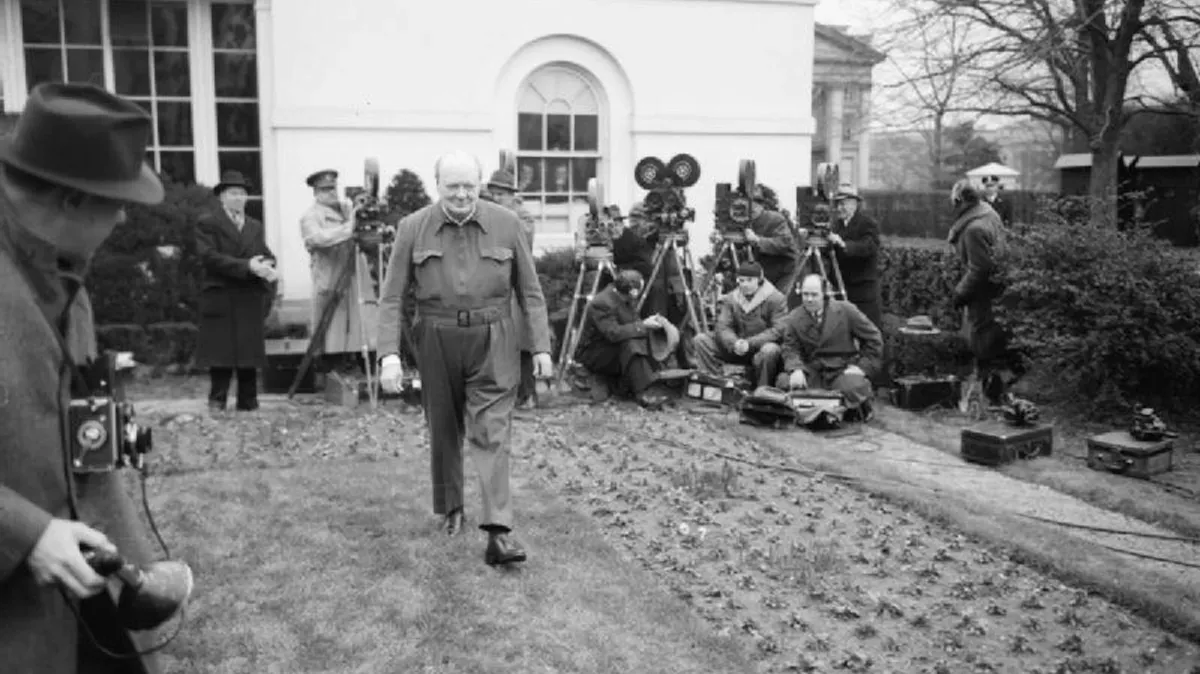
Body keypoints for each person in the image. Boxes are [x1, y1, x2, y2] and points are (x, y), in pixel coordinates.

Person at [0, 82, 165, 673]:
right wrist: (23, 534)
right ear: (71, 199)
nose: (123, 217)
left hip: (90, 582)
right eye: (116, 202)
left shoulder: (58, 259)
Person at [377, 151, 552, 566]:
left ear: (480, 185)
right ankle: (451, 506)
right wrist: (389, 356)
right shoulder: (412, 227)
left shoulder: (507, 224)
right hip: (435, 336)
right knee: (443, 426)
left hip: (494, 337)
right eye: (452, 186)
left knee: (493, 431)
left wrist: (541, 347)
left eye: (468, 186)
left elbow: (530, 291)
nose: (461, 195)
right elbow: (392, 297)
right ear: (437, 185)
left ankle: (498, 531)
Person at [194, 170, 278, 413]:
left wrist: (268, 266)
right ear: (222, 197)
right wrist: (246, 266)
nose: (239, 198)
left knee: (248, 353)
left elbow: (264, 253)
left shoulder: (254, 225)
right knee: (221, 352)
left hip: (248, 295)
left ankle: (248, 402)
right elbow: (208, 256)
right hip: (221, 293)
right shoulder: (208, 222)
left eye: (242, 194)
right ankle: (217, 400)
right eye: (233, 193)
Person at [776, 274, 884, 420]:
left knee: (854, 386)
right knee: (784, 382)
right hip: (813, 371)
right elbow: (790, 347)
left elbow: (873, 338)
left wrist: (862, 368)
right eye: (805, 294)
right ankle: (821, 409)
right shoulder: (795, 316)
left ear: (824, 294)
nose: (809, 299)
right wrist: (796, 369)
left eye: (814, 295)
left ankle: (853, 407)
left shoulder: (846, 310)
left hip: (841, 370)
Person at [948, 179, 1012, 404]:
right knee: (993, 341)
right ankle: (996, 394)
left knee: (983, 343)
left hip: (984, 292)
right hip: (999, 287)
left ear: (960, 201)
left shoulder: (973, 229)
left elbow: (980, 268)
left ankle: (992, 398)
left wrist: (960, 293)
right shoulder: (988, 213)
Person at [480, 167, 539, 409]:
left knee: (522, 342)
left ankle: (528, 393)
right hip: (492, 284)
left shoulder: (522, 216)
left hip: (517, 284)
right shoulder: (488, 215)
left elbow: (520, 243)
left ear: (512, 195)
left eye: (501, 194)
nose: (496, 198)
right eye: (493, 194)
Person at [575, 269, 676, 408]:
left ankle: (650, 381)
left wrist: (648, 323)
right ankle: (643, 392)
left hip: (613, 348)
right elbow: (613, 333)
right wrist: (642, 326)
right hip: (595, 354)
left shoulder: (623, 298)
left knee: (638, 339)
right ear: (633, 291)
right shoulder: (602, 303)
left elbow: (631, 325)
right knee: (631, 344)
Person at [299, 169, 365, 358]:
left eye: (333, 188)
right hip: (329, 280)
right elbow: (318, 239)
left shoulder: (346, 209)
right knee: (326, 329)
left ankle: (351, 361)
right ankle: (323, 365)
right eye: (325, 189)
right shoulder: (311, 216)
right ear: (316, 192)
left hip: (351, 278)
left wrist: (361, 206)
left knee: (352, 328)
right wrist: (349, 228)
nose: (331, 193)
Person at [691, 262, 787, 388]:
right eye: (741, 280)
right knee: (701, 340)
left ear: (759, 280)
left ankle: (762, 391)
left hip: (760, 349)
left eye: (749, 280)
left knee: (770, 350)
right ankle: (714, 386)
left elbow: (778, 330)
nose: (745, 284)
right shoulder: (731, 298)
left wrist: (750, 343)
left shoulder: (776, 299)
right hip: (736, 347)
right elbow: (723, 326)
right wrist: (734, 342)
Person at [829, 185, 883, 330]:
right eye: (837, 204)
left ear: (854, 204)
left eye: (842, 204)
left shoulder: (867, 223)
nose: (839, 208)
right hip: (841, 288)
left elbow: (869, 247)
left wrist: (843, 244)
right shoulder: (835, 225)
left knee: (867, 330)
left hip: (862, 291)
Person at [743, 185, 799, 292]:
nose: (753, 207)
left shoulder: (775, 219)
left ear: (763, 205)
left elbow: (784, 243)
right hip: (760, 276)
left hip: (784, 274)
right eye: (748, 203)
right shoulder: (742, 223)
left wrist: (758, 240)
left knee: (779, 300)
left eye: (757, 203)